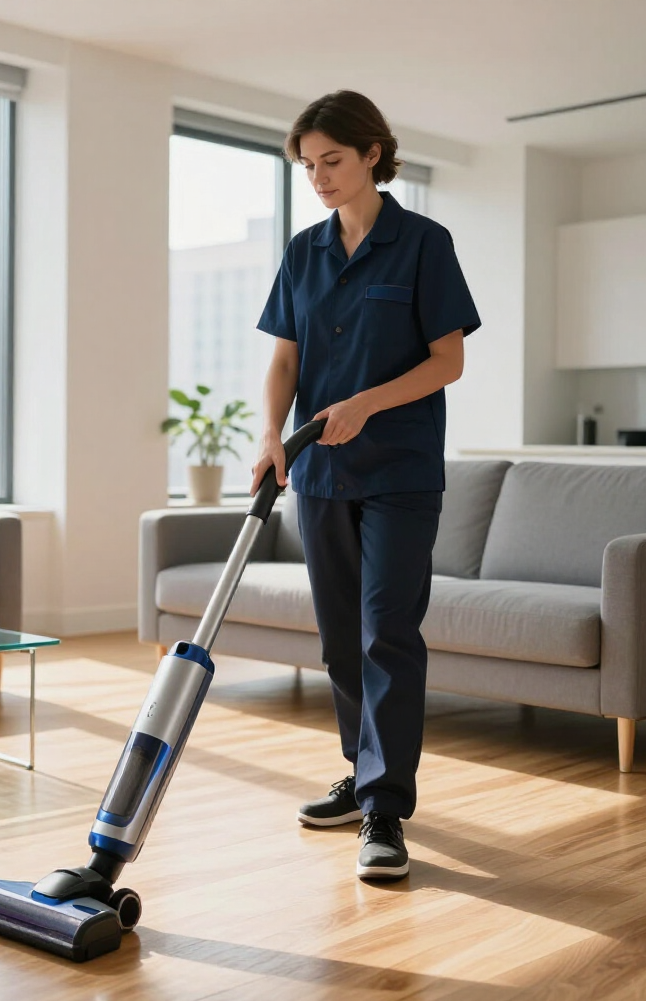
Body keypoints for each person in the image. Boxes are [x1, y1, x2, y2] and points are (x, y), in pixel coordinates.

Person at [252, 90, 480, 881]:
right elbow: (285, 359)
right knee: (340, 637)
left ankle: (385, 808)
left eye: (332, 161)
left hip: (400, 473)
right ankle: (362, 772)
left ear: (373, 154)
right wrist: (271, 434)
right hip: (319, 471)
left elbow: (447, 361)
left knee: (387, 631)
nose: (318, 177)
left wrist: (365, 404)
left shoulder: (423, 244)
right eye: (308, 166)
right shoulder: (302, 252)